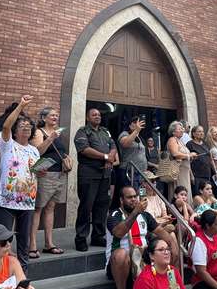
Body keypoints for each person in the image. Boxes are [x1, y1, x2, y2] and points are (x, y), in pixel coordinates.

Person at [106, 186, 169, 289]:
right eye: (129, 197)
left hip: (142, 263)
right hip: (121, 267)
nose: (134, 199)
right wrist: (135, 212)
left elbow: (163, 234)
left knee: (166, 245)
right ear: (121, 200)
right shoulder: (114, 215)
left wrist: (172, 244)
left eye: (135, 196)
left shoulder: (145, 215)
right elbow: (118, 232)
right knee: (121, 254)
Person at [0, 100, 39, 273]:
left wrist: (40, 172)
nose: (26, 127)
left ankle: (22, 276)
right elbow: (6, 126)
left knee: (24, 242)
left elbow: (34, 171)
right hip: (7, 201)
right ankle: (2, 274)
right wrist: (20, 107)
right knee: (3, 239)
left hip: (28, 201)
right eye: (22, 124)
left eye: (29, 125)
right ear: (15, 129)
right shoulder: (8, 144)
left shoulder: (34, 150)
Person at [74, 108, 118, 252]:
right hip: (88, 174)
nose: (97, 116)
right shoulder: (83, 131)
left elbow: (113, 145)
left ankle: (98, 236)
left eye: (99, 114)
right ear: (88, 118)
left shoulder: (105, 131)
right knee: (86, 207)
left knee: (102, 206)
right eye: (94, 114)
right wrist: (105, 157)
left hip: (105, 175)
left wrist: (111, 156)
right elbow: (84, 149)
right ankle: (81, 238)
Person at [30, 106, 71, 258]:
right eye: (52, 115)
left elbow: (59, 152)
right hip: (44, 175)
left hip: (59, 175)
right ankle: (32, 245)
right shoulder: (39, 132)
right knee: (38, 209)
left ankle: (49, 243)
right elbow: (37, 152)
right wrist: (51, 138)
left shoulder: (58, 133)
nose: (55, 117)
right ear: (44, 118)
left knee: (50, 208)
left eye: (56, 115)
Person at [116, 116, 149, 202]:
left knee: (142, 195)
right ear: (130, 125)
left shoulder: (140, 138)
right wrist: (136, 130)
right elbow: (125, 143)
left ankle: (141, 211)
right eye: (135, 122)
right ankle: (131, 214)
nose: (138, 124)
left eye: (139, 122)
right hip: (130, 172)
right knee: (132, 196)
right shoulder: (124, 134)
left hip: (141, 174)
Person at [166, 121, 194, 202]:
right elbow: (175, 154)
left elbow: (184, 155)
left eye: (182, 128)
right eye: (179, 129)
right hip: (178, 171)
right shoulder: (172, 139)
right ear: (173, 132)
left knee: (185, 193)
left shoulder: (180, 141)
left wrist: (191, 156)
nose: (182, 130)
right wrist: (189, 155)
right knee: (180, 192)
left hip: (185, 172)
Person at [187, 125, 212, 196]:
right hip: (197, 176)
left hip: (207, 174)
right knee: (198, 195)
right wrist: (191, 175)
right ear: (194, 134)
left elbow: (210, 158)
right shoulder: (190, 144)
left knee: (207, 195)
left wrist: (215, 171)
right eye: (199, 131)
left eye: (202, 131)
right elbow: (187, 161)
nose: (202, 133)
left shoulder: (205, 144)